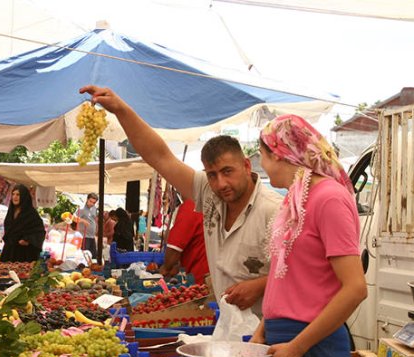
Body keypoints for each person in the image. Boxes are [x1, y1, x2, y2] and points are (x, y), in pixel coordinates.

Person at [81, 85, 282, 314]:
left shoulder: (274, 210)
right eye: (212, 175)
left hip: (265, 330)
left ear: (246, 165)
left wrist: (259, 285)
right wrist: (121, 109)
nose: (221, 184)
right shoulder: (209, 192)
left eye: (228, 172)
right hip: (226, 324)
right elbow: (160, 157)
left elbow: (305, 274)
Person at [249, 115, 366, 357]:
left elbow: (355, 289)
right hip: (284, 342)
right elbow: (289, 279)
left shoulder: (329, 199)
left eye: (262, 156)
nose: (263, 165)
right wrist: (263, 328)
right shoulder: (294, 198)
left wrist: (297, 347)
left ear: (279, 152)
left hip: (315, 346)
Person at [158, 199, 209, 284]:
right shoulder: (208, 203)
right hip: (212, 273)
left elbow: (175, 247)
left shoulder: (191, 205)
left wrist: (166, 268)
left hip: (200, 276)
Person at [0, 184, 45, 262]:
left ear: (24, 196)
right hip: (9, 251)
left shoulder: (31, 214)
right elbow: (8, 228)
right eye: (13, 194)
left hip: (24, 254)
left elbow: (40, 232)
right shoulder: (10, 212)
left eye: (18, 195)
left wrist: (28, 240)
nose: (15, 197)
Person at [76, 192, 99, 260]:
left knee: (93, 256)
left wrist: (96, 226)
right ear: (87, 199)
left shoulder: (94, 208)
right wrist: (83, 221)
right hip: (84, 236)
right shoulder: (81, 208)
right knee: (85, 256)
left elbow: (94, 218)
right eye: (90, 201)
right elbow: (74, 218)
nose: (92, 204)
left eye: (94, 202)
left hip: (92, 236)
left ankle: (92, 270)